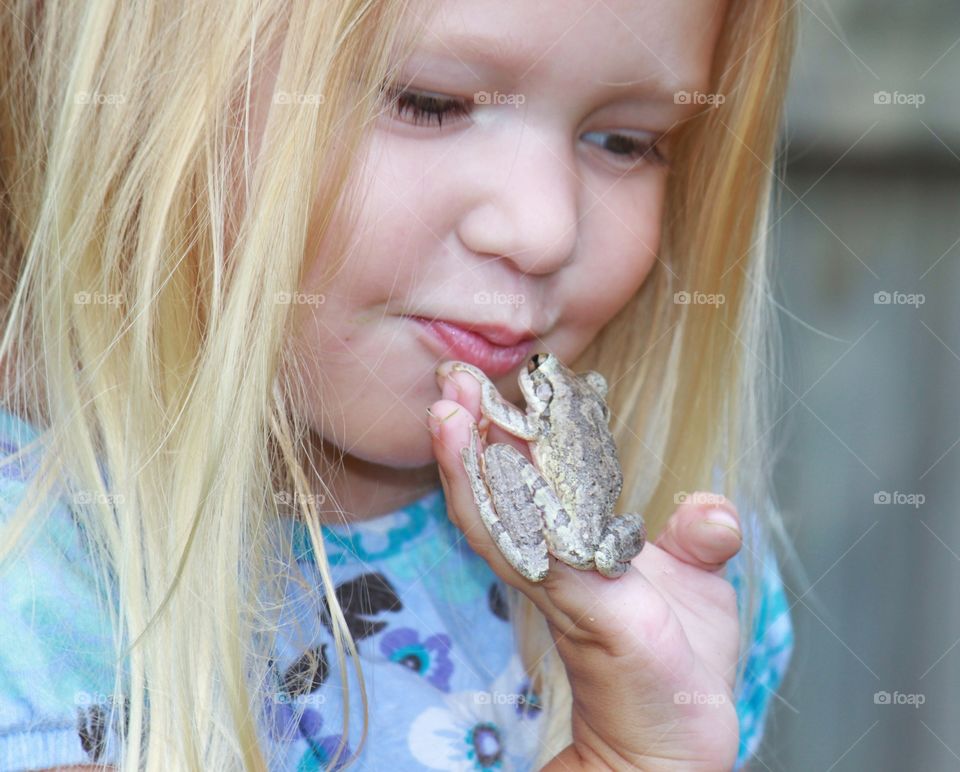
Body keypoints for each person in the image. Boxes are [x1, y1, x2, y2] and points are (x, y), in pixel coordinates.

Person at [0, 0, 799, 769]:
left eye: (625, 142)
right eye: (429, 102)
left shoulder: (667, 573)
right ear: (131, 78)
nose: (545, 227)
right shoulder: (36, 597)